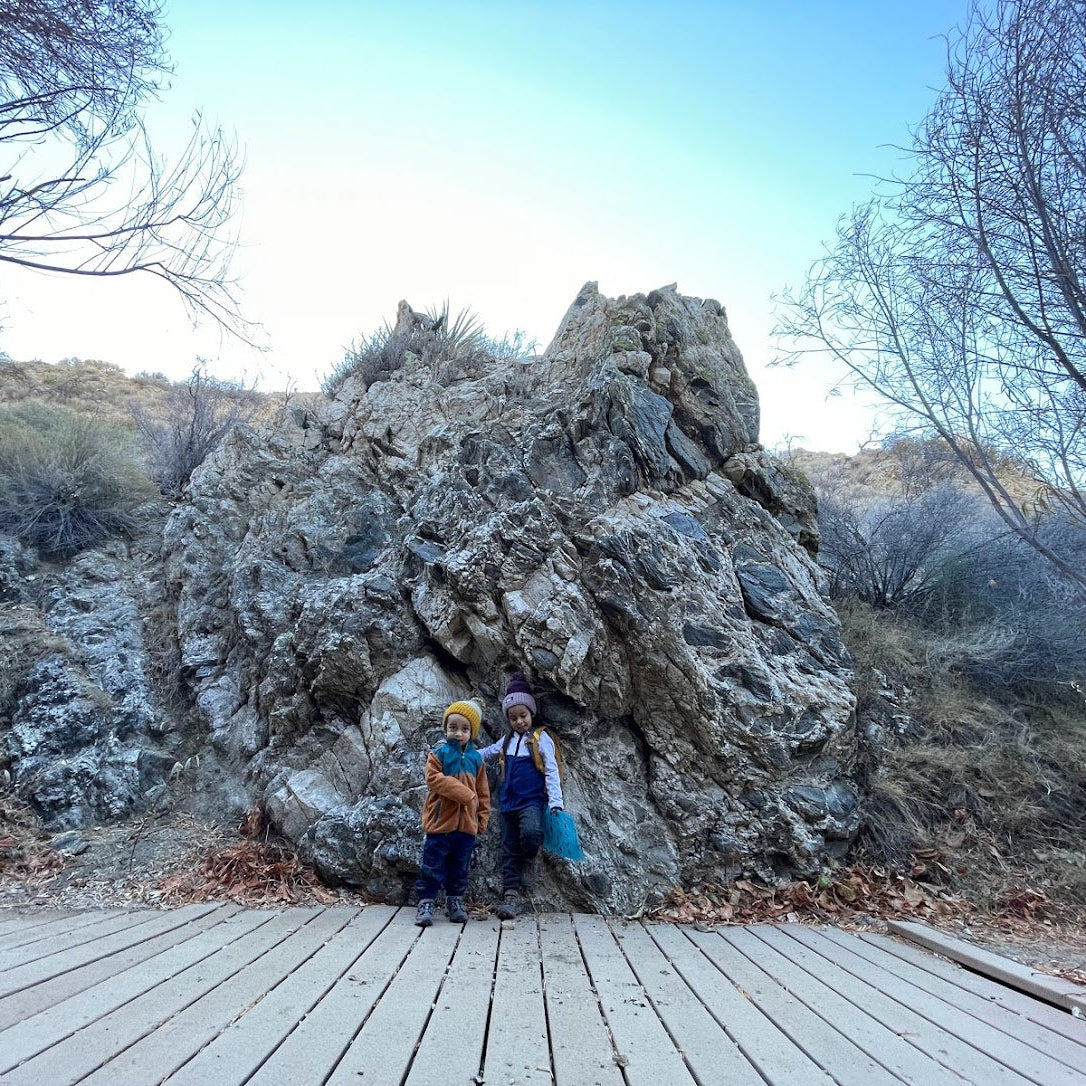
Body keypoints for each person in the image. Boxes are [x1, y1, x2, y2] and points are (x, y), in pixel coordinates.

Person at [478, 673, 563, 919]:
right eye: (513, 717)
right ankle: (510, 894)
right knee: (508, 846)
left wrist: (556, 801)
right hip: (508, 803)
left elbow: (551, 770)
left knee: (532, 832)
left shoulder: (539, 739)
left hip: (532, 801)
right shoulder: (506, 741)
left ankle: (530, 858)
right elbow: (488, 752)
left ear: (532, 713)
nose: (519, 721)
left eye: (523, 715)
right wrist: (467, 755)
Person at [415, 699, 491, 927]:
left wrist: (482, 818)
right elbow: (434, 780)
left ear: (472, 732)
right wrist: (464, 794)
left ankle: (454, 901)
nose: (458, 733)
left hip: (466, 826)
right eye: (453, 727)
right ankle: (426, 901)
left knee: (460, 867)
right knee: (432, 865)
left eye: (465, 729)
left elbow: (483, 792)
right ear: (445, 728)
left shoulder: (476, 759)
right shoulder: (438, 754)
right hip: (440, 824)